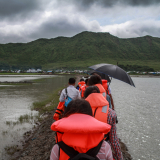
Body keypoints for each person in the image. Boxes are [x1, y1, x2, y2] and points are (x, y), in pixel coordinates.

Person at [84, 86, 123, 160]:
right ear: (100, 95)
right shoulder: (110, 113)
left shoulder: (80, 112)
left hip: (83, 149)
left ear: (85, 97)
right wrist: (119, 157)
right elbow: (114, 140)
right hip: (103, 149)